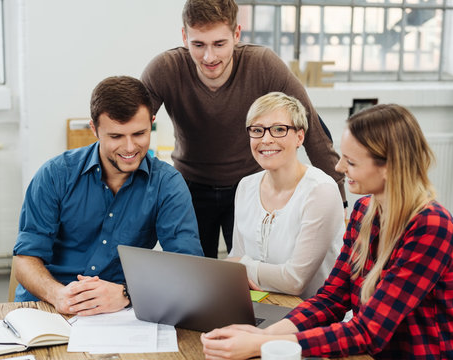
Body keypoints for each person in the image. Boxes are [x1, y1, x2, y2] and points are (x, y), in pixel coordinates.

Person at [201, 104, 453, 359]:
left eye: (351, 161)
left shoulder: (431, 227)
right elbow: (333, 299)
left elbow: (369, 331)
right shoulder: (363, 211)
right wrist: (264, 335)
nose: (338, 167)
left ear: (388, 166)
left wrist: (260, 345)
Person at [141, 0, 345, 258]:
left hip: (248, 188)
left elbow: (311, 128)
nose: (209, 57)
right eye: (198, 44)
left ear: (236, 34)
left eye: (219, 44)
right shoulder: (165, 68)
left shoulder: (262, 64)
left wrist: (341, 201)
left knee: (249, 276)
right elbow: (133, 128)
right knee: (193, 276)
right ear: (184, 36)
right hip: (189, 187)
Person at [13, 76, 203, 316]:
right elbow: (25, 260)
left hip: (120, 311)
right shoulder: (55, 175)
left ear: (152, 123)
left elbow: (187, 268)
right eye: (116, 136)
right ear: (94, 129)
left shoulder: (168, 184)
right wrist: (58, 295)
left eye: (139, 133)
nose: (130, 147)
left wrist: (127, 293)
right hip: (49, 307)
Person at [227, 92, 344, 300]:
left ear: (300, 137)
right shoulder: (245, 187)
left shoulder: (321, 190)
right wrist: (237, 266)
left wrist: (241, 265)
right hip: (263, 305)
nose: (266, 139)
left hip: (315, 317)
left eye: (279, 129)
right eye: (257, 130)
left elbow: (295, 281)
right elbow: (236, 261)